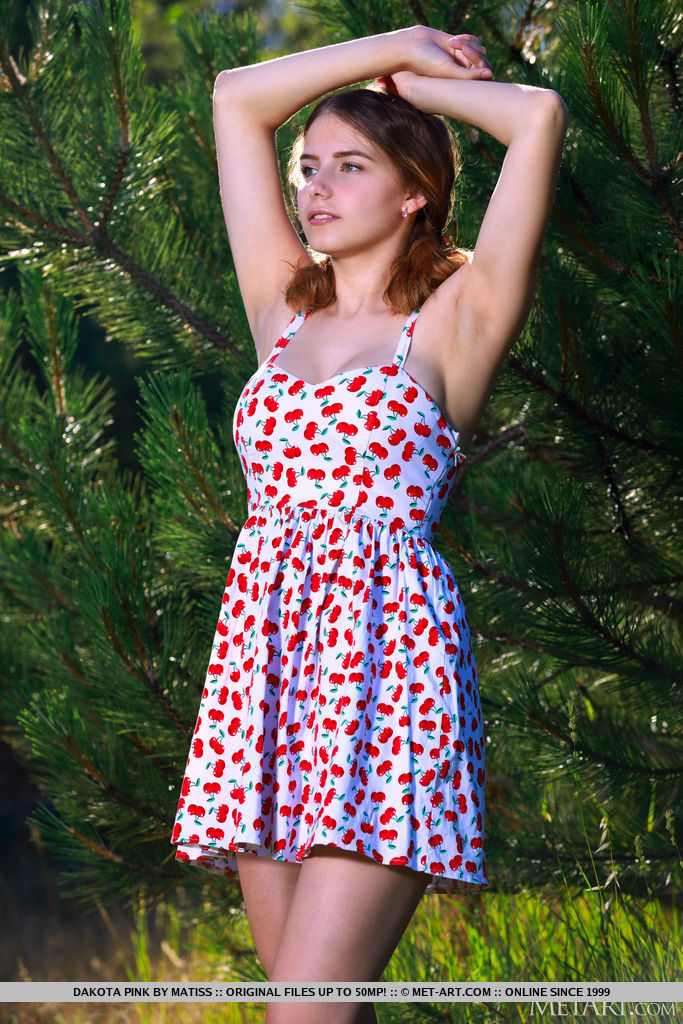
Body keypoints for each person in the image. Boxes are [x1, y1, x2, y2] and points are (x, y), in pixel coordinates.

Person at [170, 23, 567, 1023]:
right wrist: (391, 43)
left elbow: (536, 117)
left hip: (390, 686)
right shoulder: (282, 309)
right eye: (309, 167)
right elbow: (235, 98)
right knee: (317, 1009)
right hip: (264, 675)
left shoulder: (457, 318)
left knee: (304, 1010)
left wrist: (415, 87)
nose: (316, 186)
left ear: (413, 192)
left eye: (351, 166)